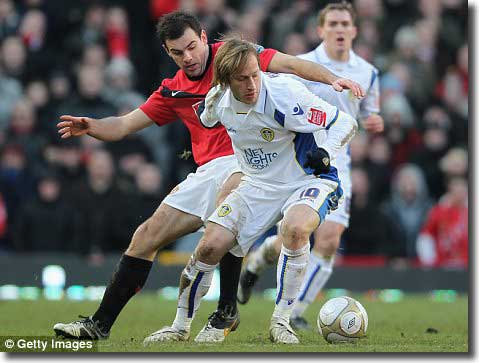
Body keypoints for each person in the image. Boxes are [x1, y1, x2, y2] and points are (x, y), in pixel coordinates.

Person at [52, 10, 364, 341]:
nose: (187, 58)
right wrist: (92, 126)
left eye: (191, 47)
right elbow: (127, 123)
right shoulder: (172, 91)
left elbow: (288, 64)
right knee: (146, 236)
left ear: (203, 38)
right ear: (167, 53)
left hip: (246, 163)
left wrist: (331, 79)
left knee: (228, 202)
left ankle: (226, 308)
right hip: (206, 170)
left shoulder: (235, 61)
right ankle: (98, 325)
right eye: (177, 52)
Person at [142, 38, 357, 345]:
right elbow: (203, 119)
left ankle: (281, 321)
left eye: (255, 74)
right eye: (242, 79)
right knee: (208, 246)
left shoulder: (285, 95)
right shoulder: (218, 101)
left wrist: (325, 152)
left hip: (306, 178)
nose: (252, 84)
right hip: (257, 184)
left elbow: (345, 122)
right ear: (226, 80)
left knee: (295, 230)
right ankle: (179, 327)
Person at [236, 1, 384, 331]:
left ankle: (296, 312)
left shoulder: (369, 72)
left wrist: (375, 120)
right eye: (333, 23)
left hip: (339, 160)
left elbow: (367, 112)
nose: (340, 29)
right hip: (298, 158)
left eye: (345, 23)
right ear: (321, 30)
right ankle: (262, 258)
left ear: (355, 30)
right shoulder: (302, 65)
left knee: (329, 239)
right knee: (297, 231)